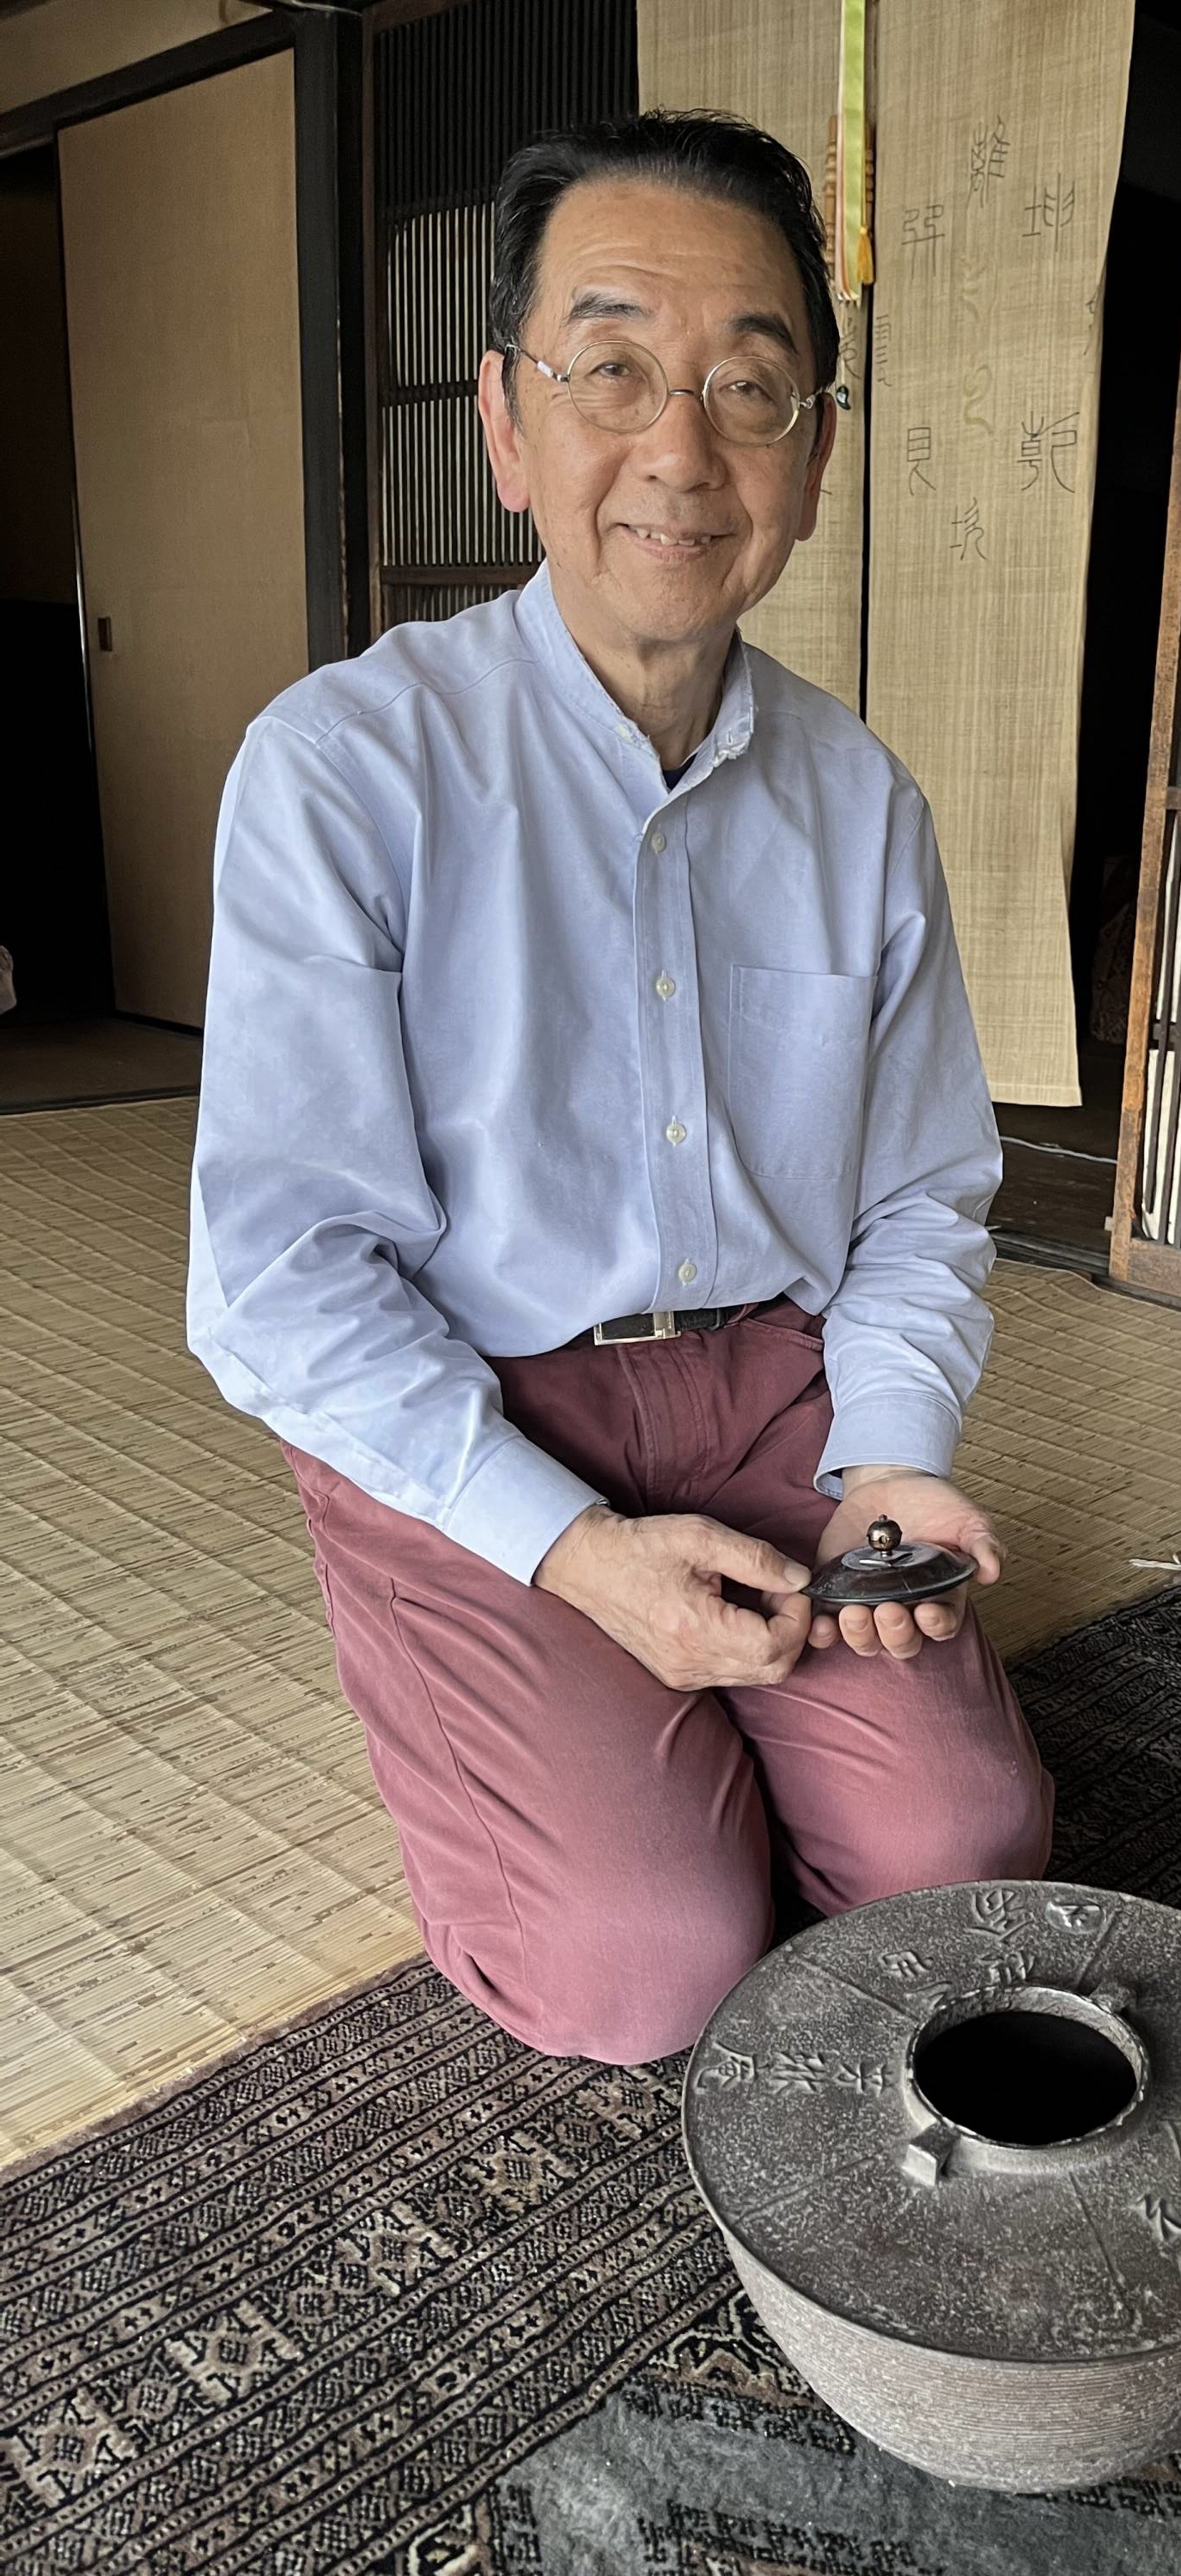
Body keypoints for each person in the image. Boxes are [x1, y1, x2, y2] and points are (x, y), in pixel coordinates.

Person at [186, 112, 1053, 2067]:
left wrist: (895, 1447)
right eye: (614, 370)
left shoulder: (857, 798)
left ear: (813, 460)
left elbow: (919, 1190)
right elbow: (281, 1276)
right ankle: (493, 1662)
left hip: (774, 1396)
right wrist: (569, 1552)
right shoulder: (343, 768)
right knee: (643, 1961)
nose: (680, 447)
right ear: (507, 422)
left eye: (750, 386)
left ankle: (690, 1734)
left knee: (966, 1854)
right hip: (476, 1396)